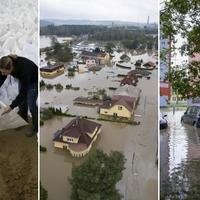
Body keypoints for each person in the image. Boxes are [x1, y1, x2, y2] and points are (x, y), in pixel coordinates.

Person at [0, 55, 38, 137]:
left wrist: (11, 106)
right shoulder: (5, 62)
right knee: (22, 102)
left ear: (11, 68)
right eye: (1, 71)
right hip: (23, 78)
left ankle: (35, 127)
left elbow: (23, 93)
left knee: (31, 105)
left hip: (33, 81)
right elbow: (1, 77)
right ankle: (23, 120)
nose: (2, 74)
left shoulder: (24, 70)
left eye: (4, 72)